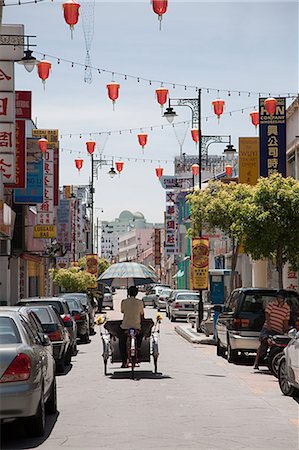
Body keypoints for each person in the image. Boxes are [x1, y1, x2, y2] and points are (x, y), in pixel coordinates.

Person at [253, 290, 290, 370]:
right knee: (264, 341)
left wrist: (286, 329)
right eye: (278, 297)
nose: (279, 299)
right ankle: (256, 362)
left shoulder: (286, 308)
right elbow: (267, 314)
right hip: (268, 328)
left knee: (277, 344)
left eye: (281, 298)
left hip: (278, 329)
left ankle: (272, 360)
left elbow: (285, 320)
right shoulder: (271, 305)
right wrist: (269, 326)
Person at [119, 286, 144, 368]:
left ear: (128, 293)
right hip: (137, 326)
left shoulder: (124, 301)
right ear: (136, 293)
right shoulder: (140, 302)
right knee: (140, 336)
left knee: (122, 342)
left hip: (125, 326)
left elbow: (122, 311)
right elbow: (141, 314)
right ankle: (138, 349)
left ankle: (123, 361)